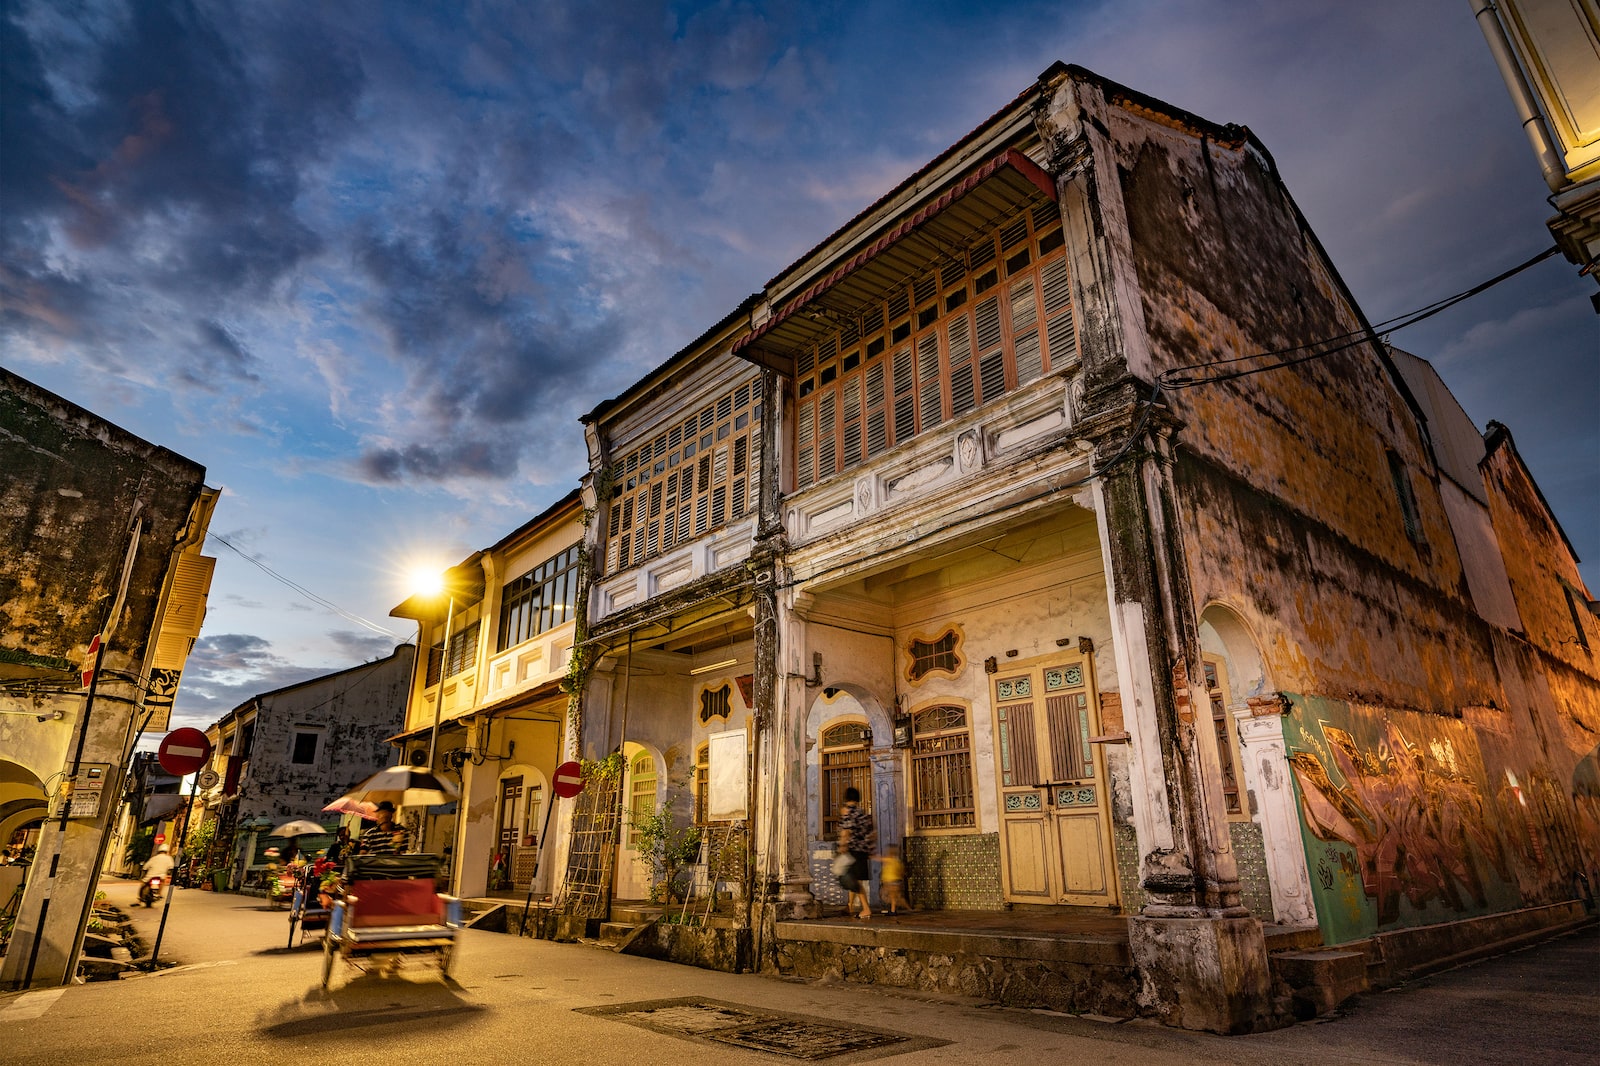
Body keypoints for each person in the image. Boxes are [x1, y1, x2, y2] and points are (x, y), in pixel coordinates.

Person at [837, 786, 873, 919]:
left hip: (852, 851)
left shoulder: (848, 812)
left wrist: (842, 846)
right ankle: (850, 905)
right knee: (854, 879)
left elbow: (846, 831)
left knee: (854, 881)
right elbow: (871, 833)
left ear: (846, 798)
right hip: (863, 850)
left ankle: (866, 909)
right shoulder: (862, 813)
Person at [878, 844, 911, 915]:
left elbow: (880, 859)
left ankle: (895, 910)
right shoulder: (897, 862)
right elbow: (901, 871)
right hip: (897, 881)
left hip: (890, 882)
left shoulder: (889, 860)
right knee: (896, 896)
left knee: (891, 896)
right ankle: (905, 908)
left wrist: (872, 855)